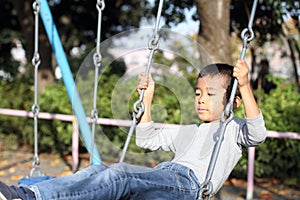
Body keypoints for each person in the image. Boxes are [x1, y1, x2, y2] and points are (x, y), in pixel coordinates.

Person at [0, 60, 267, 200]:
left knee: (120, 175)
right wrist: (147, 102)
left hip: (189, 187)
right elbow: (147, 138)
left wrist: (243, 85)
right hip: (164, 177)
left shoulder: (234, 129)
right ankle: (29, 189)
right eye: (198, 93)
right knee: (98, 171)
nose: (200, 99)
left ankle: (29, 197)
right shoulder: (191, 131)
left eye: (210, 94)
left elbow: (258, 133)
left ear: (233, 101)